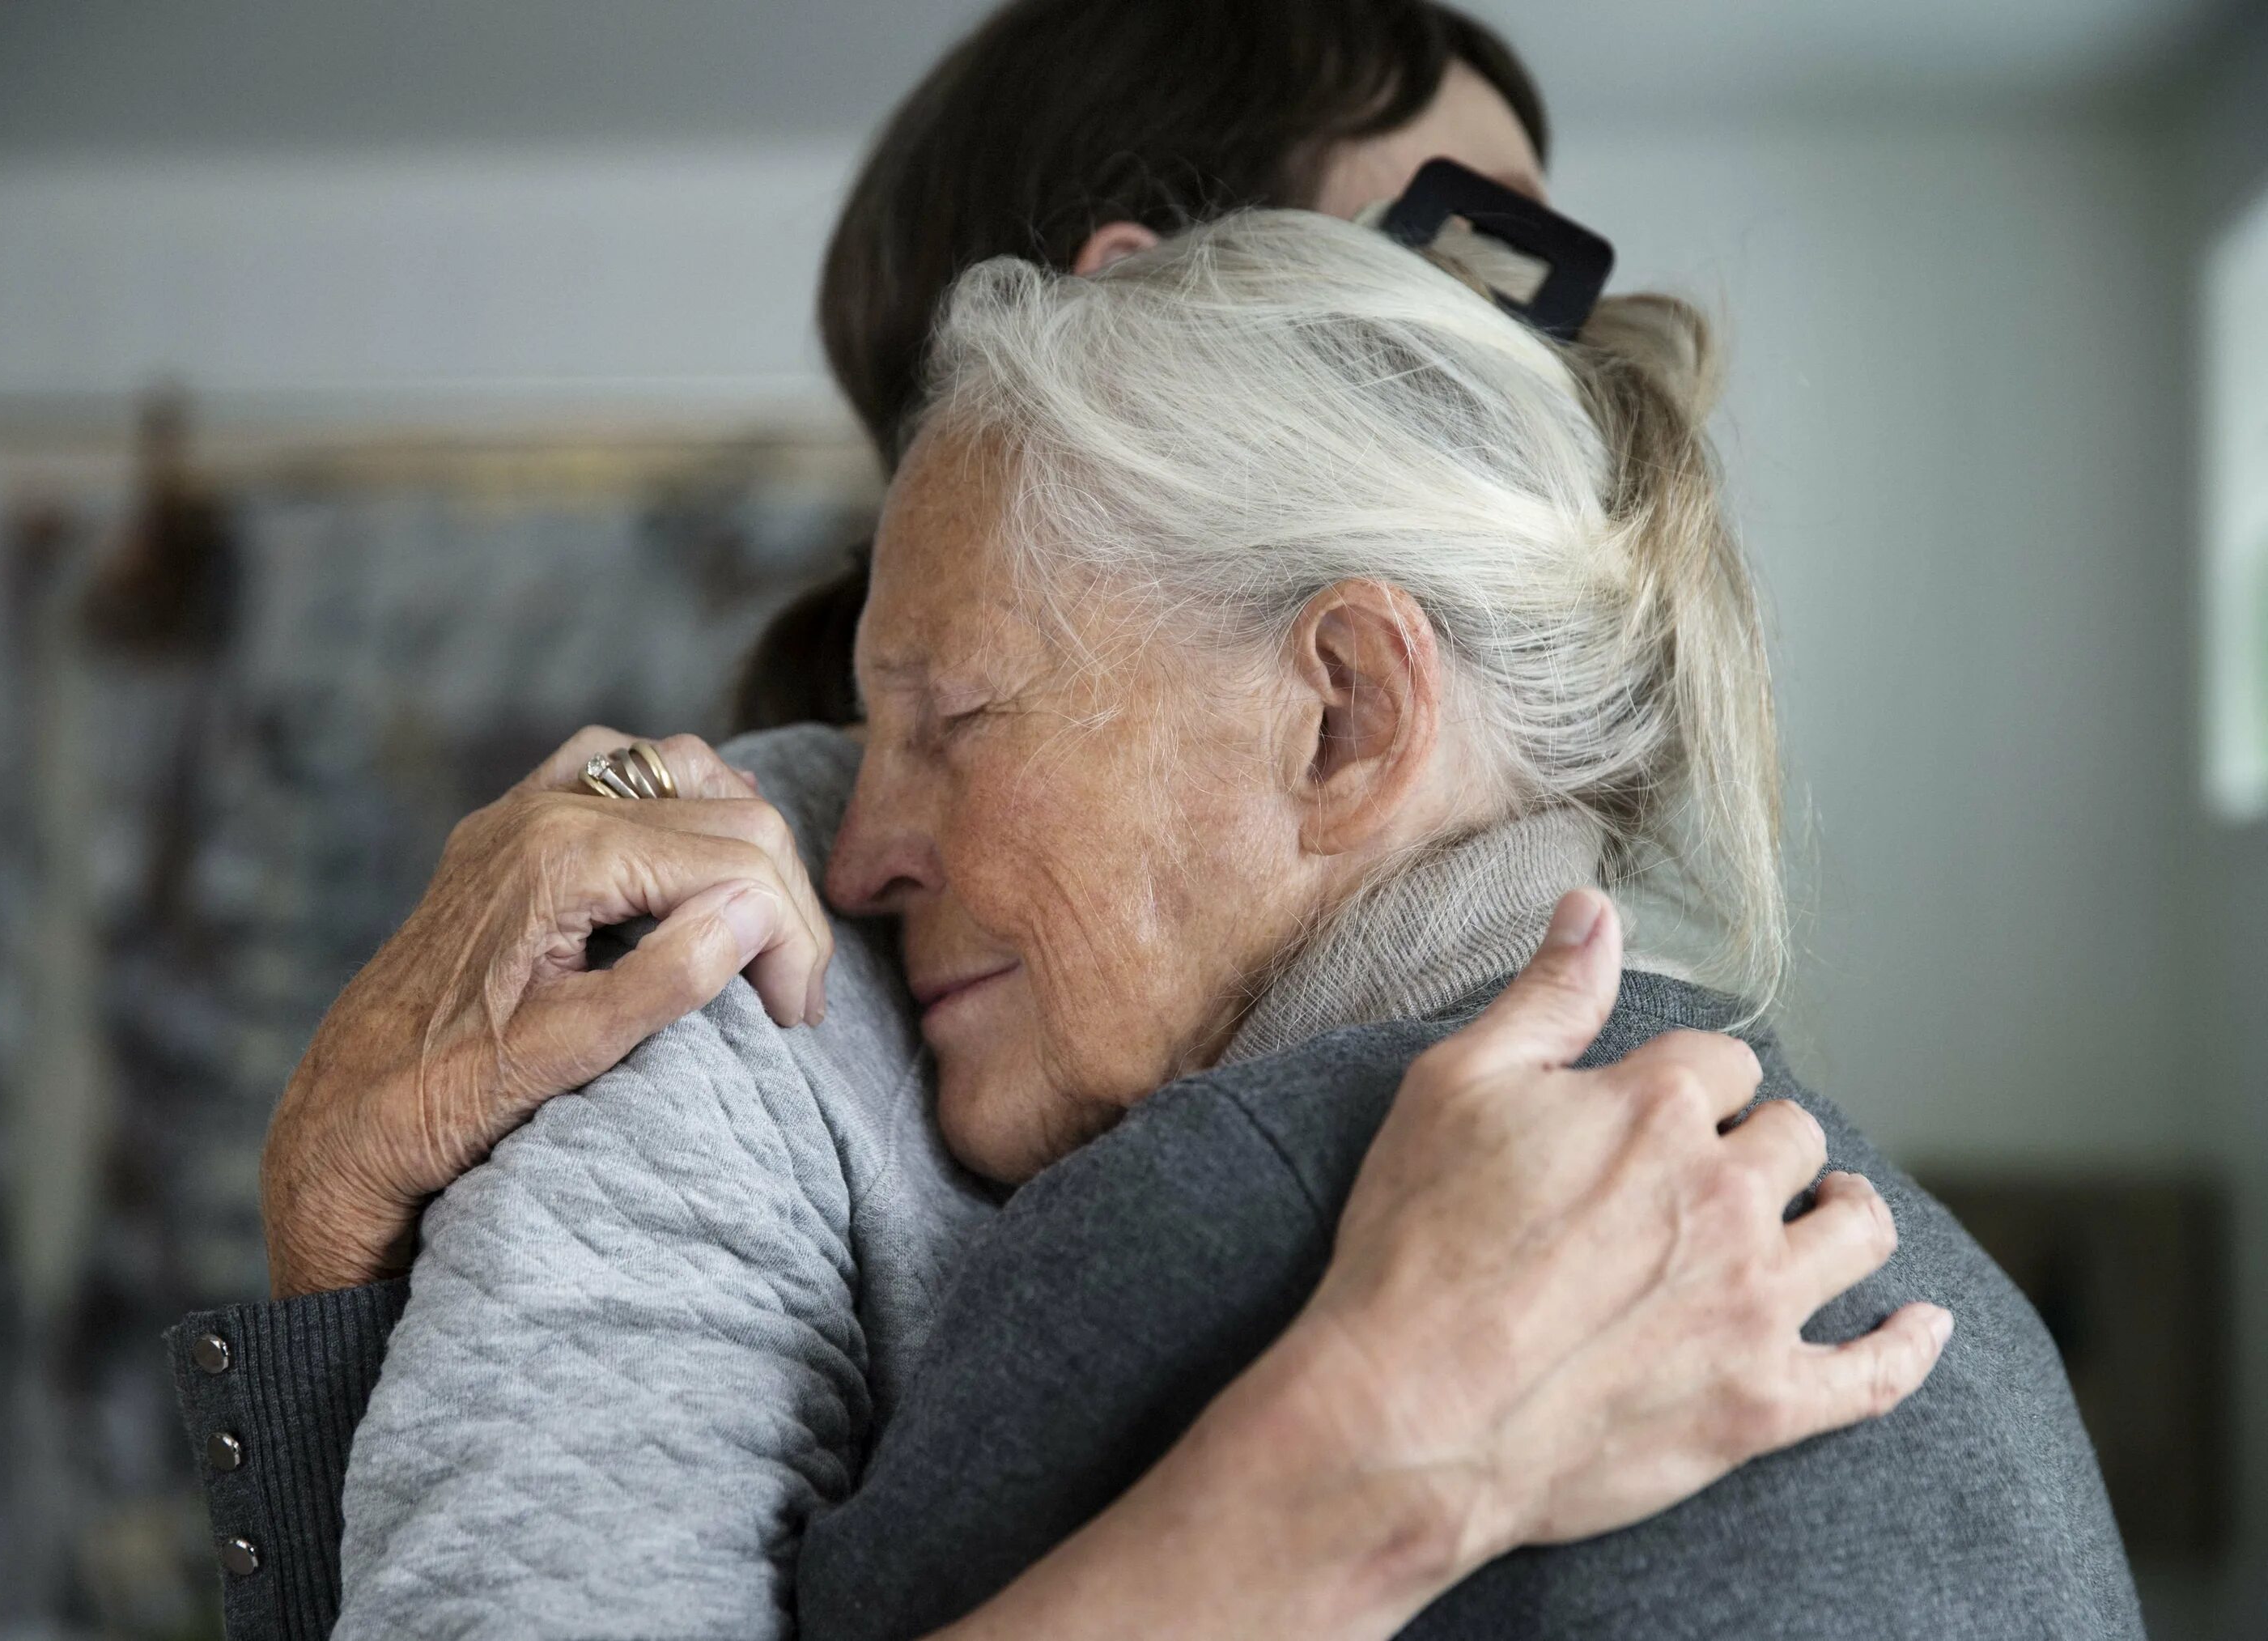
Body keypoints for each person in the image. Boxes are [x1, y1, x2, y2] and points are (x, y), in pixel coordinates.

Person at [167, 4, 1952, 1636]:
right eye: (1473, 264)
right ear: (1158, 295)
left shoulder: (1638, 1062)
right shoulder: (729, 974)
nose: (1540, 377)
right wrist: (1370, 1466)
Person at [779, 210, 2136, 1637]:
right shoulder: (1937, 1274)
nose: (858, 858)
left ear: (1345, 716)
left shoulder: (1191, 1228)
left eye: (954, 718)